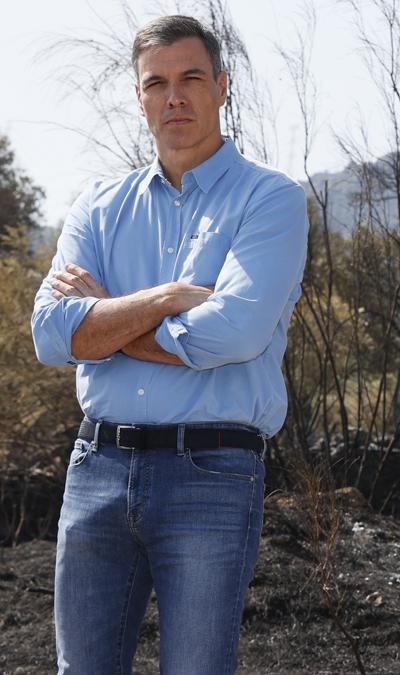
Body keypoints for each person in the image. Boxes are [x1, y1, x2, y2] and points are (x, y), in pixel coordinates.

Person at [29, 14, 308, 674]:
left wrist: (104, 323)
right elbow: (50, 334)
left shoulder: (269, 200)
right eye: (156, 82)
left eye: (191, 78)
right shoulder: (98, 206)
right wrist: (167, 299)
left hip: (211, 473)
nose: (173, 97)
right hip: (96, 468)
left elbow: (235, 332)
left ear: (222, 86)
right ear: (139, 96)